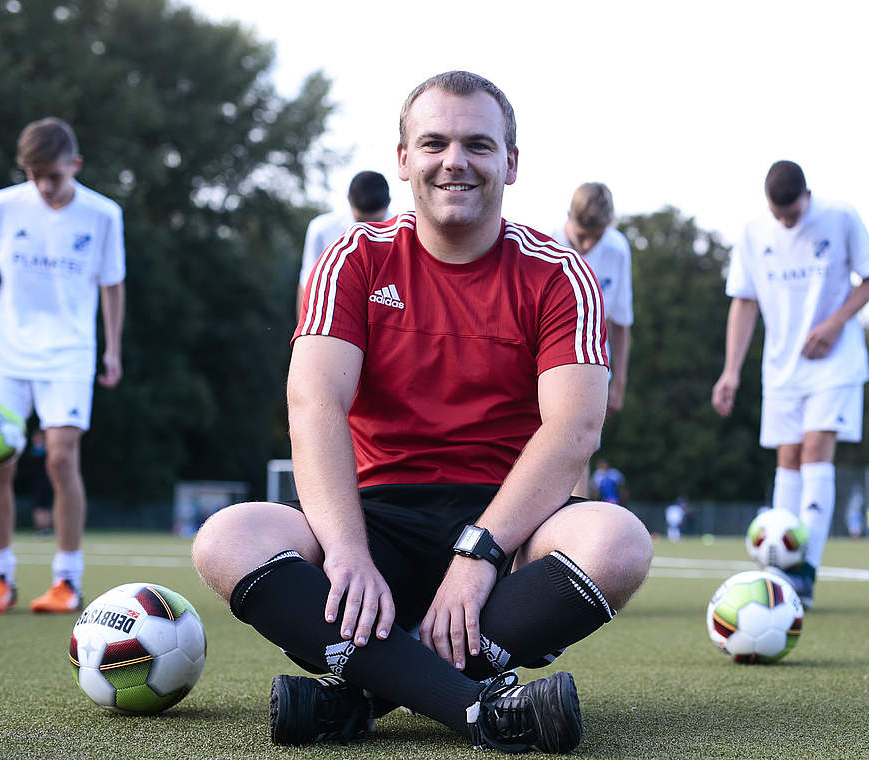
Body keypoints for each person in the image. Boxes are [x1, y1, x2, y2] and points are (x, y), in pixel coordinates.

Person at [191, 71, 653, 754]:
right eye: (433, 142)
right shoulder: (352, 258)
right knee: (225, 539)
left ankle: (363, 696)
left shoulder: (560, 273)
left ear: (512, 163)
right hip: (373, 519)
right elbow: (313, 402)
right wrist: (346, 550)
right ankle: (476, 708)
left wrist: (479, 553)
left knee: (619, 542)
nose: (454, 162)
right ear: (403, 159)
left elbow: (574, 429)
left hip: (508, 526)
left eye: (478, 145)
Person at [0, 117, 126, 615]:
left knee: (60, 457)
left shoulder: (103, 214)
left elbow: (112, 284)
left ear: (75, 165)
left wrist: (111, 350)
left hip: (70, 352)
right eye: (34, 175)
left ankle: (67, 580)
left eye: (53, 174)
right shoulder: (2, 206)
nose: (45, 185)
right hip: (7, 352)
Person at [711, 160, 869, 607]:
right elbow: (743, 304)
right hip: (781, 366)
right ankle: (780, 568)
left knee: (815, 450)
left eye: (792, 213)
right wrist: (731, 370)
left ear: (806, 195)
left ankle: (806, 570)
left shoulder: (840, 216)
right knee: (787, 458)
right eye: (777, 214)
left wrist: (835, 324)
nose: (785, 222)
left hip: (835, 362)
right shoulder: (752, 233)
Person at [552, 182, 633, 416]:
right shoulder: (546, 244)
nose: (588, 245)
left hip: (594, 371)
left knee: (584, 445)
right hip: (546, 372)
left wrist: (619, 382)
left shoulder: (617, 249)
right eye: (582, 235)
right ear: (569, 216)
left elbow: (620, 320)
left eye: (596, 237)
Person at [297, 170, 392, 316]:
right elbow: (308, 282)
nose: (367, 230)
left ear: (389, 203)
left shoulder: (406, 233)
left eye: (376, 223)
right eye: (361, 222)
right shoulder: (322, 229)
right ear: (348, 200)